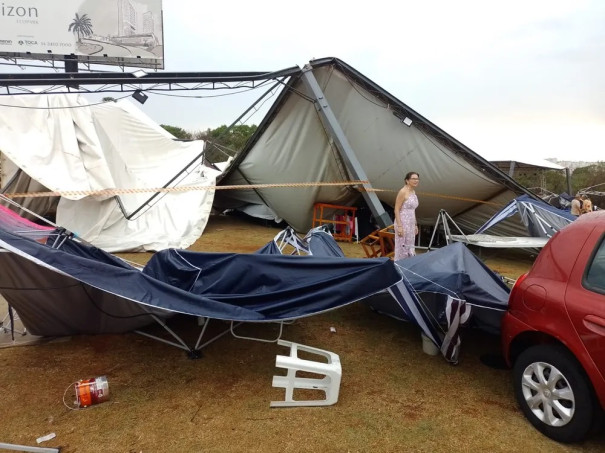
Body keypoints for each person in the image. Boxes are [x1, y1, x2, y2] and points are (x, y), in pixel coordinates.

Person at [394, 171, 419, 260]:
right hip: (403, 222)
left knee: (410, 247)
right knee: (402, 248)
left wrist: (415, 225)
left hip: (411, 223)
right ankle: (399, 267)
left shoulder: (413, 191)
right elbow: (396, 209)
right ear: (407, 180)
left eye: (417, 179)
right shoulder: (403, 191)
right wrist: (399, 226)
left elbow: (413, 210)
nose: (416, 180)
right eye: (413, 179)